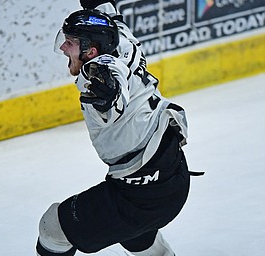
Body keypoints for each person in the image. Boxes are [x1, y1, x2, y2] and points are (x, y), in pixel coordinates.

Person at [36, 1, 192, 255]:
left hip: (142, 194)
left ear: (91, 51)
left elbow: (113, 91)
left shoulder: (100, 70)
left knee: (53, 226)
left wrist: (105, 93)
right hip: (171, 175)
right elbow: (103, 6)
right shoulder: (119, 35)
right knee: (134, 235)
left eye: (71, 43)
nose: (63, 48)